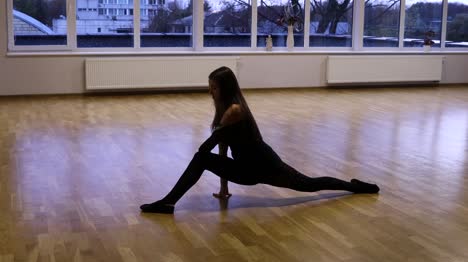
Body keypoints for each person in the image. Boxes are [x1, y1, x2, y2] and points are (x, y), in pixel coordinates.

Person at [140, 66, 379, 214]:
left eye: (213, 88)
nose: (210, 92)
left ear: (224, 88)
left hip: (264, 165)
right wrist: (223, 188)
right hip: (245, 167)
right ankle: (168, 203)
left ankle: (355, 187)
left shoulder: (235, 110)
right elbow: (221, 147)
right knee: (202, 158)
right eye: (210, 87)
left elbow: (209, 146)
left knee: (310, 185)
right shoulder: (225, 109)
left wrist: (212, 156)